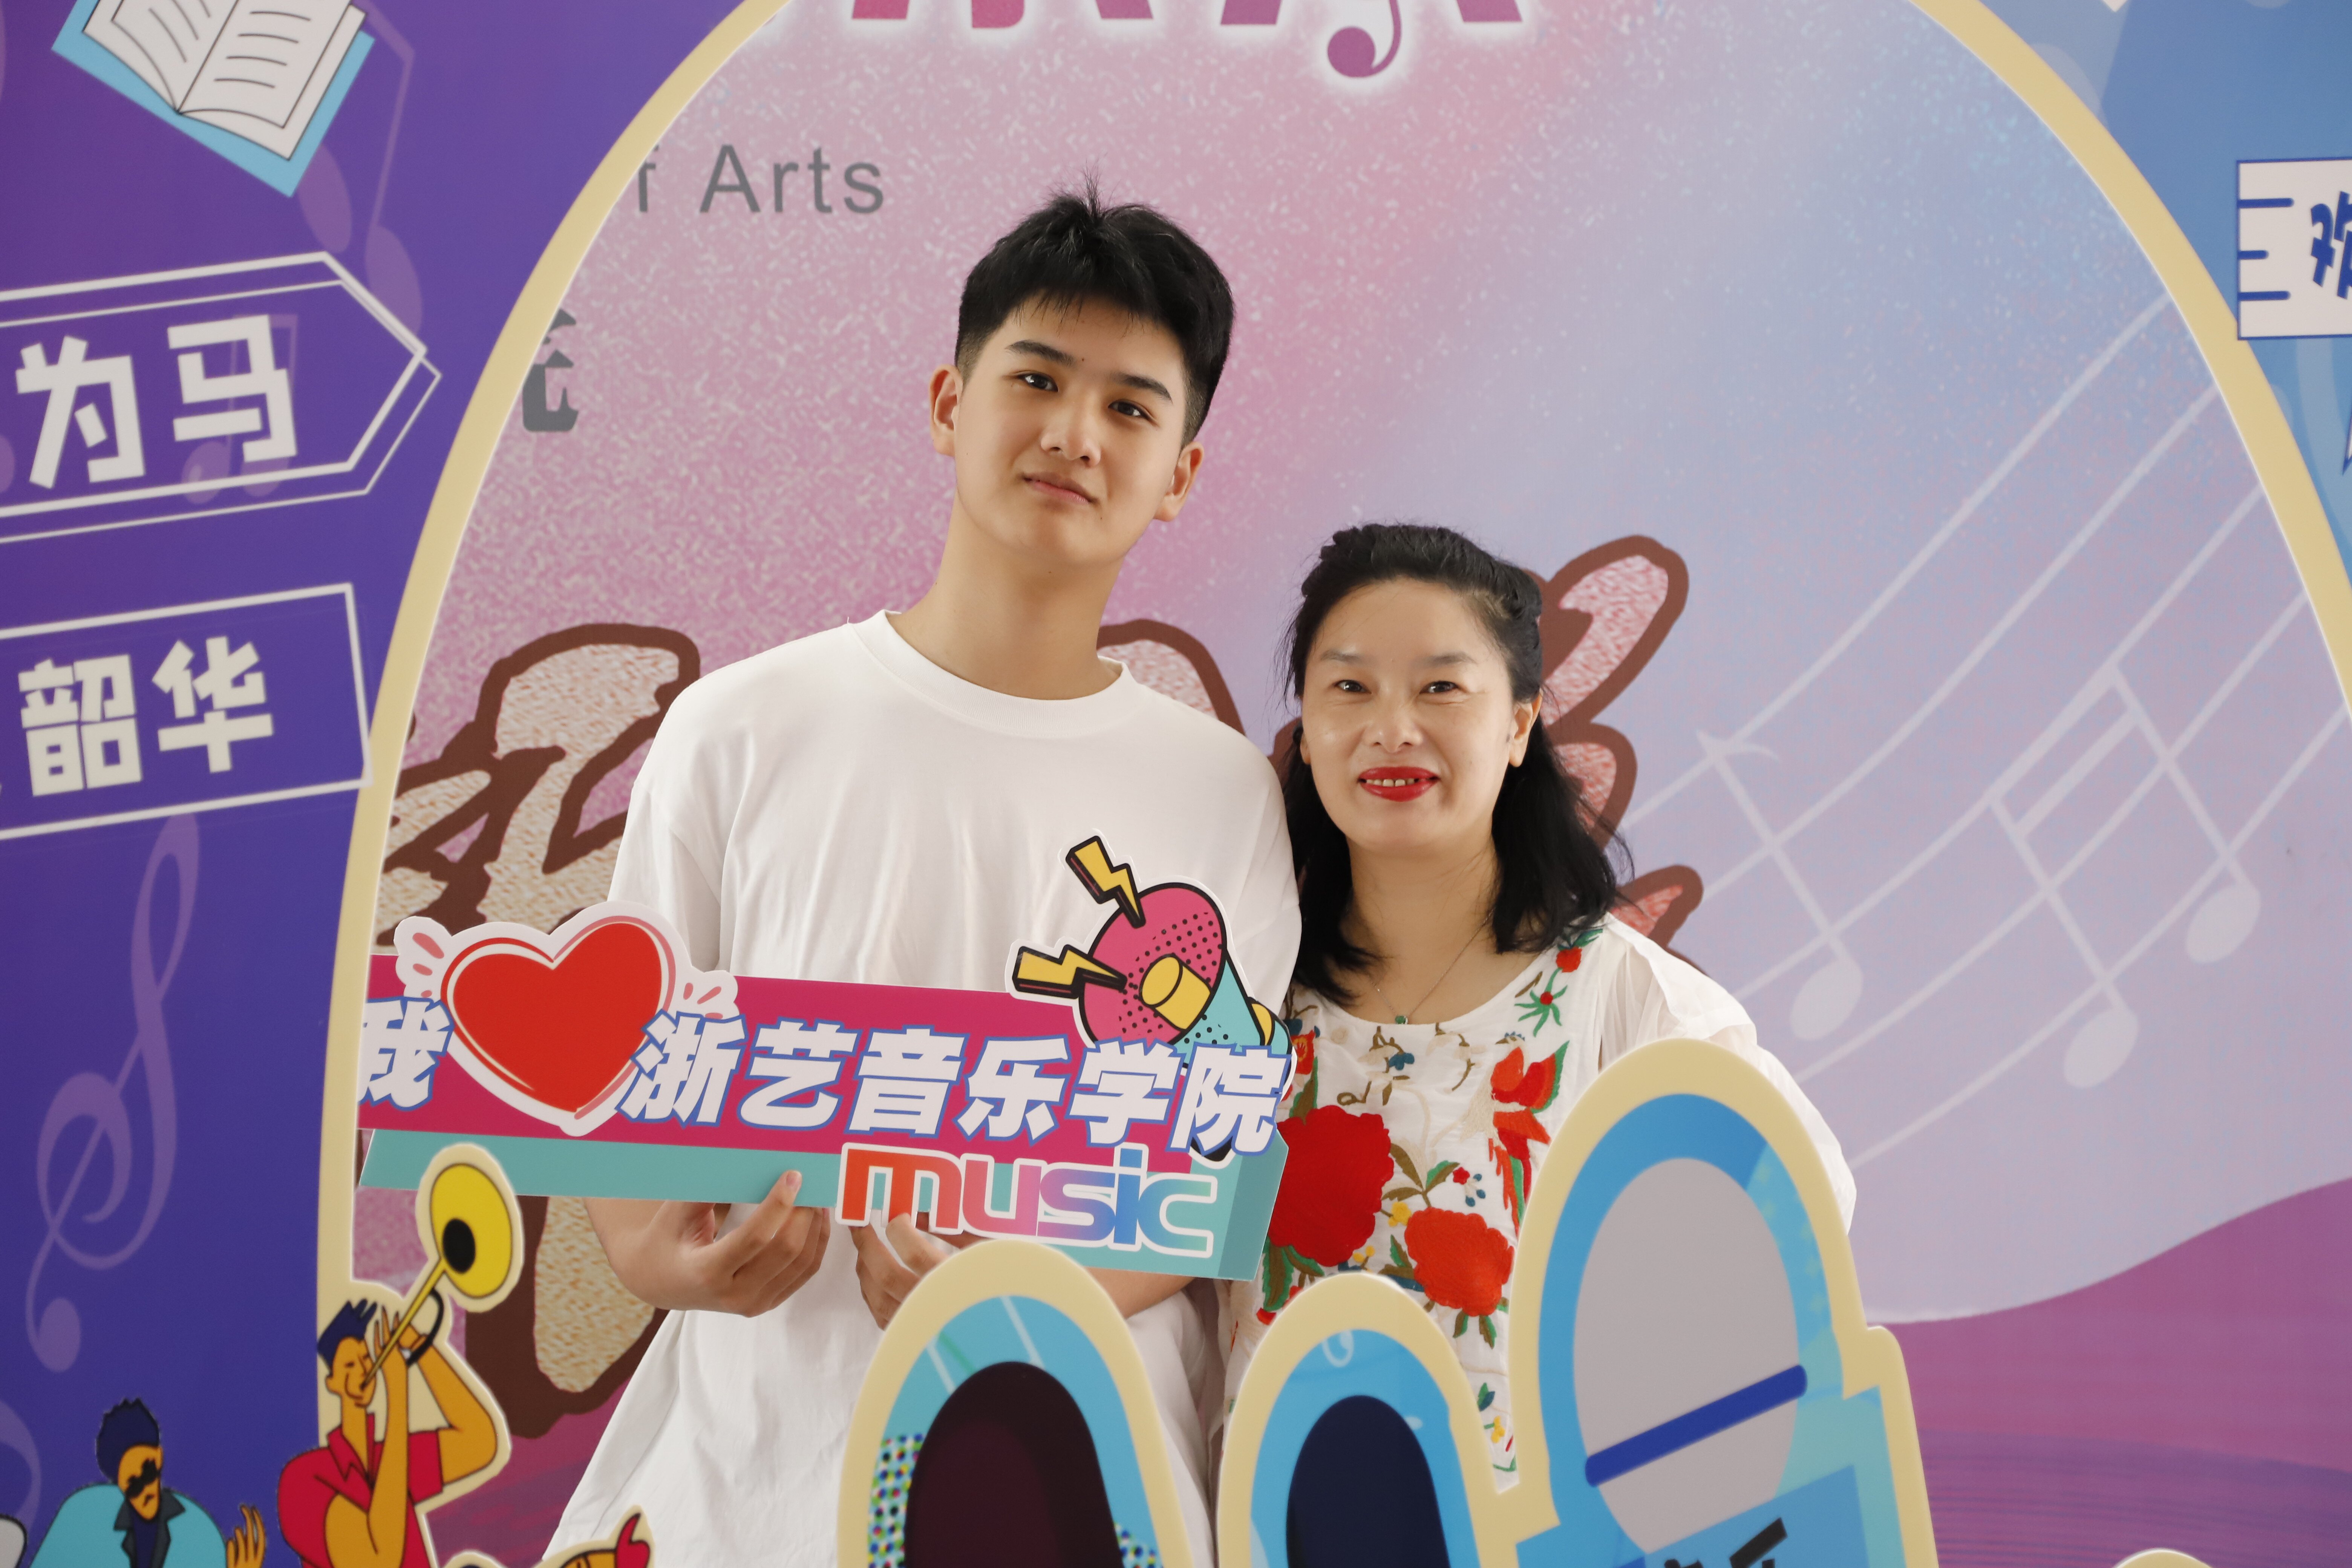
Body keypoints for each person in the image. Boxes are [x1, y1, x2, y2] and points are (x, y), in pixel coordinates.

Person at [550, 185, 1298, 1565]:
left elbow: (1217, 1166)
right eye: (1038, 380)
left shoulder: (1220, 793)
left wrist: (1021, 1298)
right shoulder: (740, 728)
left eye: (1130, 407)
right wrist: (656, 1254)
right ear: (950, 404)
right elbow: (627, 1076)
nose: (1074, 434)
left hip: (1080, 1483)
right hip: (758, 1480)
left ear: (1181, 474)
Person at [1225, 522, 1855, 1481]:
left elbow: (1798, 1211)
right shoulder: (1247, 998)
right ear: (1306, 731)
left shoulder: (1622, 998)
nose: (1392, 728)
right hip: (1266, 1525)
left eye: (1441, 688)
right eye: (1349, 687)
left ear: (1518, 725)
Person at [277, 1298, 499, 1568]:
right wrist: (398, 1392)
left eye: (365, 1358)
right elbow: (377, 1561)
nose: (363, 1370)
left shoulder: (392, 1456)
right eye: (349, 1365)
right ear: (332, 1382)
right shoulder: (304, 1478)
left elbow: (480, 1441)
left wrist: (419, 1347)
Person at [29, 1399, 266, 1568]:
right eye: (133, 1485)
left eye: (149, 1471)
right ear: (120, 1486)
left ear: (160, 1457)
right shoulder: (84, 1516)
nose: (146, 1490)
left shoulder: (198, 1529)